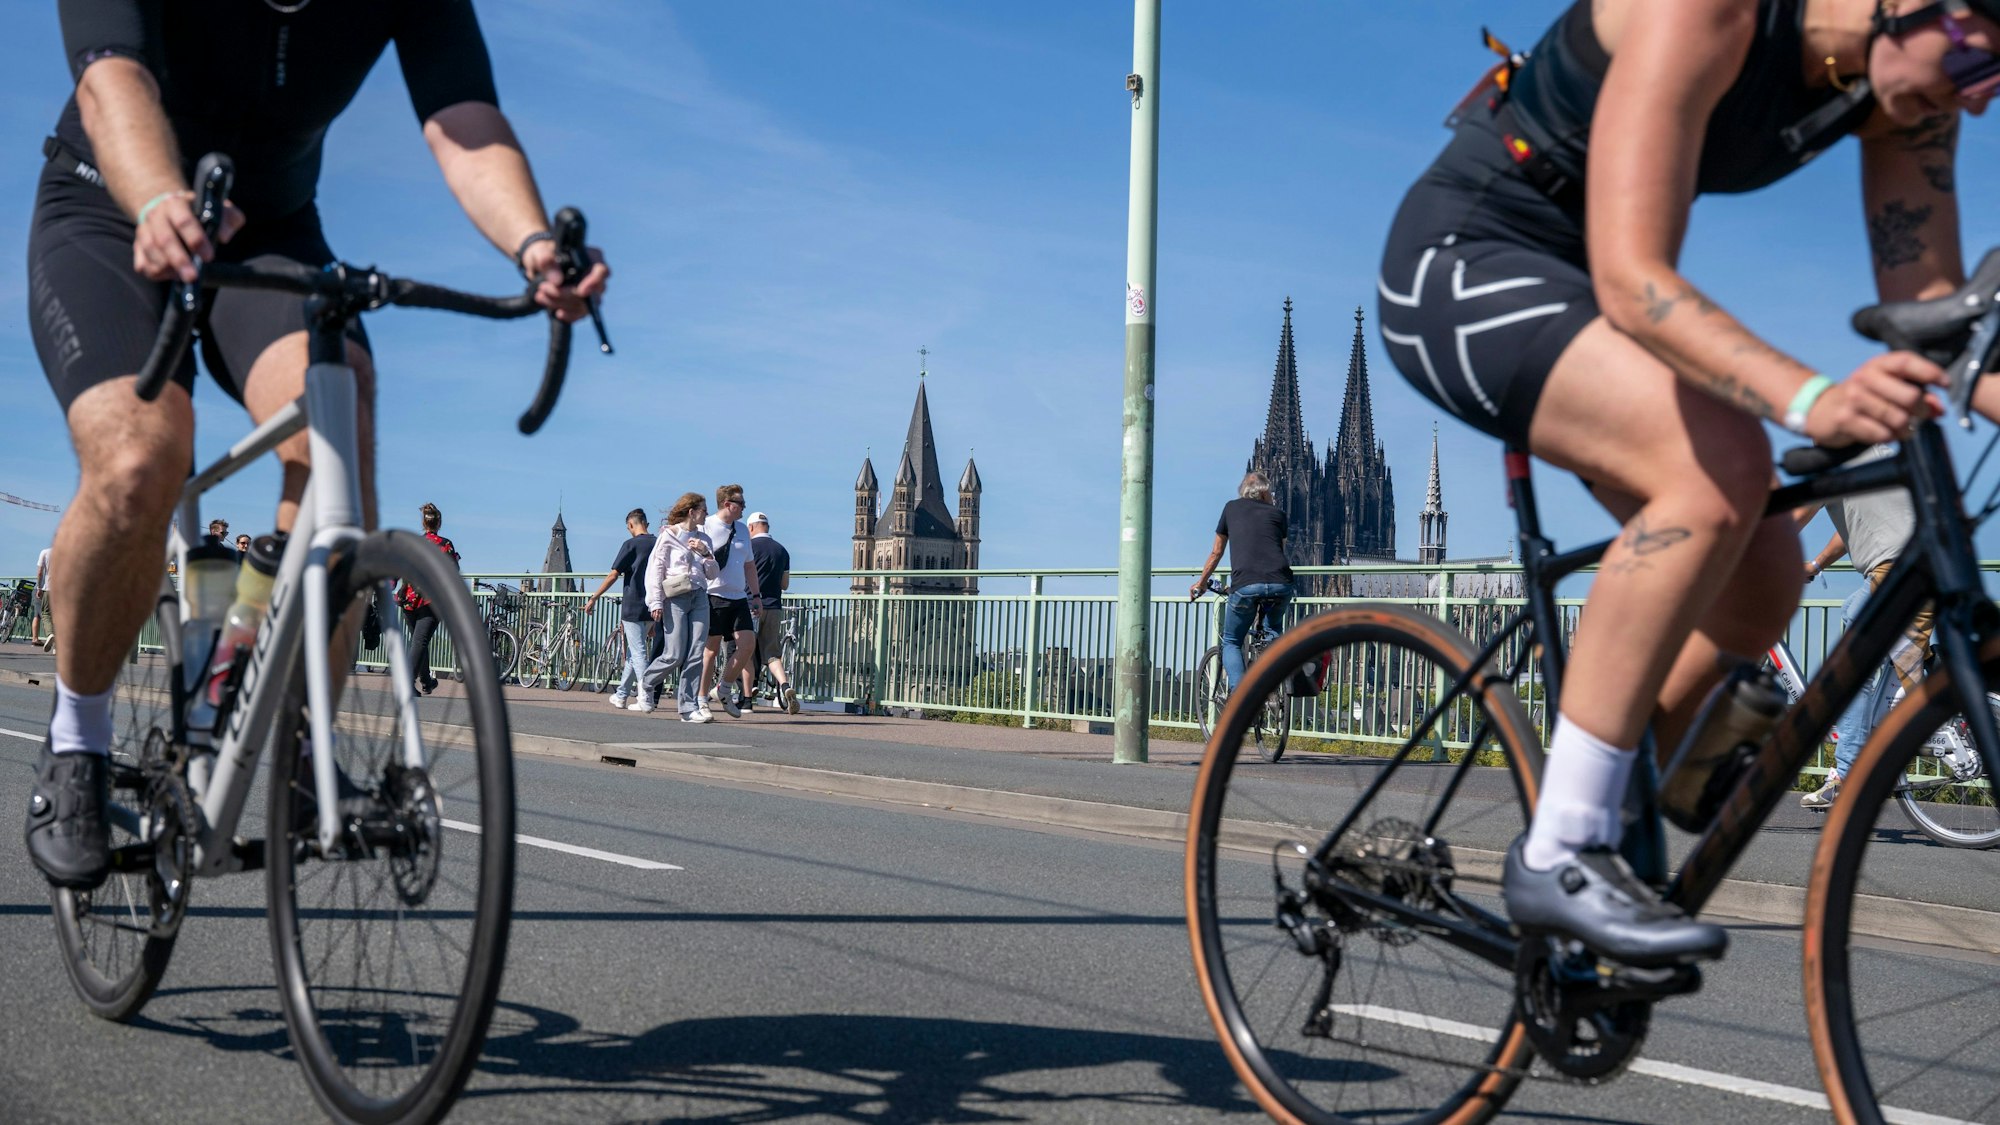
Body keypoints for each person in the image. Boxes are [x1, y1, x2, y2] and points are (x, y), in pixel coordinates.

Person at [1375, 0, 1995, 966]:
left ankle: (1618, 806)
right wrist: (1813, 396)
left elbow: (1937, 324)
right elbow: (1634, 280)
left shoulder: (1907, 95)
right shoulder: (1709, 11)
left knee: (1763, 577)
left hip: (1580, 294)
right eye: (1983, 59)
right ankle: (1560, 849)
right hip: (1468, 260)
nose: (1983, 100)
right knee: (1717, 475)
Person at [23, 1, 610, 890]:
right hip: (112, 205)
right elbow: (114, 76)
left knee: (342, 413)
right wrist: (156, 198)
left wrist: (534, 247)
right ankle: (78, 742)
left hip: (269, 232)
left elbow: (463, 117)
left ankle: (288, 728)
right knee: (143, 457)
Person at [1794, 446, 1931, 808]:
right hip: (1930, 562)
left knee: (1852, 670)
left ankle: (1845, 772)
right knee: (1852, 608)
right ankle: (1889, 701)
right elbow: (1852, 524)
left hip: (1893, 573)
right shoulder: (1880, 454)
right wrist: (1818, 563)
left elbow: (1793, 516)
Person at [1190, 472, 1295, 695]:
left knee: (1231, 641)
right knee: (1272, 630)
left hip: (1246, 584)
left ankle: (1241, 697)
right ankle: (1277, 682)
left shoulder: (1231, 508)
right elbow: (1278, 550)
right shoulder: (1279, 514)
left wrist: (1201, 583)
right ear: (1265, 492)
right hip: (1281, 583)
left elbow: (1216, 552)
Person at [641, 492, 719, 721]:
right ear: (692, 511)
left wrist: (705, 554)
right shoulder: (669, 536)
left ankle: (688, 707)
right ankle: (646, 682)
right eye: (704, 510)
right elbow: (656, 569)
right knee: (674, 654)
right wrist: (655, 601)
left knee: (696, 653)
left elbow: (713, 573)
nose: (706, 514)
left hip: (699, 596)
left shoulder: (705, 539)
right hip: (675, 597)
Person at [582, 508, 657, 710]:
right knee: (635, 653)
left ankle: (645, 697)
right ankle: (622, 695)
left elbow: (614, 575)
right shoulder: (658, 543)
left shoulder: (631, 544)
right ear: (646, 523)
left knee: (639, 653)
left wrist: (594, 597)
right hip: (653, 605)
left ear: (631, 525)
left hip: (633, 605)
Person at [700, 484, 763, 719]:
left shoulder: (743, 530)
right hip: (713, 595)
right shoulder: (706, 526)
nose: (744, 509)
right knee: (710, 651)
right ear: (728, 504)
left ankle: (723, 688)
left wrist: (755, 596)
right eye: (741, 504)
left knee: (747, 644)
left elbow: (749, 565)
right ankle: (701, 699)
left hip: (738, 597)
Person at [396, 503, 461, 696]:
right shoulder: (445, 545)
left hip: (407, 599)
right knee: (420, 641)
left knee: (419, 641)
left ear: (423, 522)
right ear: (438, 523)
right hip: (431, 599)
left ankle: (426, 681)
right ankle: (406, 683)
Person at [746, 511, 799, 715]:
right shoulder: (782, 551)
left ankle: (747, 698)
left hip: (751, 605)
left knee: (747, 652)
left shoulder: (749, 547)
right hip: (774, 606)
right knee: (772, 653)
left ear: (751, 527)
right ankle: (785, 685)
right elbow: (784, 584)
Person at [30, 543, 51, 648]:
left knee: (39, 614)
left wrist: (38, 587)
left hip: (44, 589)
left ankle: (35, 638)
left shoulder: (45, 552)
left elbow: (39, 572)